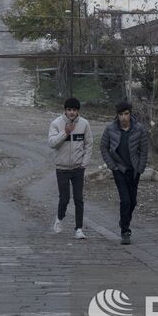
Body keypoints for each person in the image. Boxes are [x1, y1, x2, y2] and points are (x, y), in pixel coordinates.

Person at [100, 100, 149, 245]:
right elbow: (104, 147)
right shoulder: (110, 129)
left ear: (130, 114)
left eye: (126, 114)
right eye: (120, 114)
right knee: (125, 200)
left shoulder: (139, 129)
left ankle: (123, 221)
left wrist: (140, 168)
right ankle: (125, 231)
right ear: (117, 115)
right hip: (119, 169)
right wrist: (112, 166)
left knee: (133, 201)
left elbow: (144, 150)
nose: (123, 118)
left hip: (134, 170)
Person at [47, 97, 91, 240]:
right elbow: (52, 143)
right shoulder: (56, 123)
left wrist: (84, 163)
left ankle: (78, 229)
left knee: (79, 199)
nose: (72, 113)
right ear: (65, 110)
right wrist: (65, 132)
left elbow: (88, 144)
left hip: (78, 168)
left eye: (74, 110)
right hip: (62, 168)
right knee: (64, 198)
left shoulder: (84, 124)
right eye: (69, 110)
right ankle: (59, 218)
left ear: (78, 111)